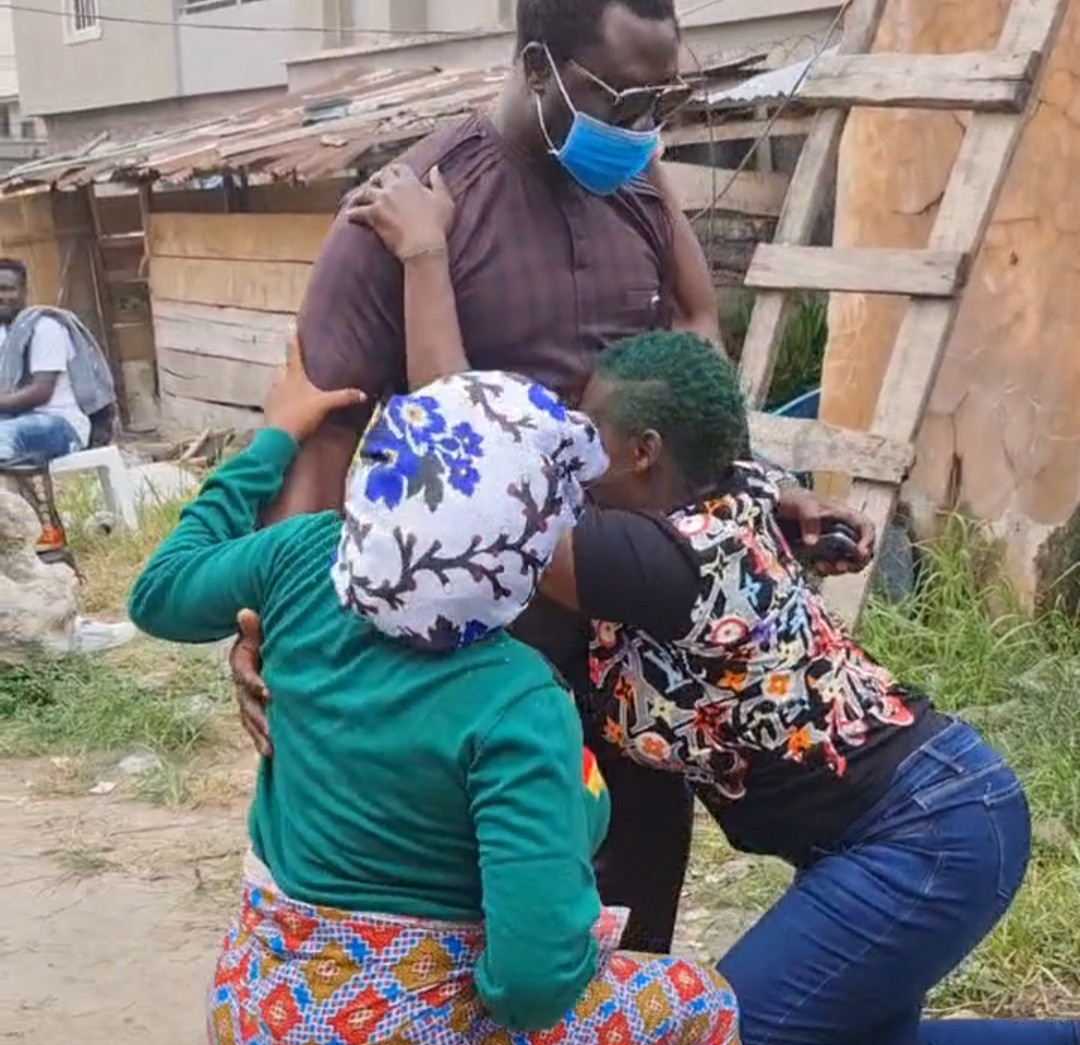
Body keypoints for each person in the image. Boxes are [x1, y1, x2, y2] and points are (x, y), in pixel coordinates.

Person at [354, 185, 1080, 1045]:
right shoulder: (728, 487)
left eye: (583, 432)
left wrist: (425, 257)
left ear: (642, 451)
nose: (563, 445)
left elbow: (465, 471)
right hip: (930, 816)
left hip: (927, 832)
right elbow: (699, 321)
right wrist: (653, 188)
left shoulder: (664, 557)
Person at [229, 0, 874, 956]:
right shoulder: (409, 211)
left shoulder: (638, 197)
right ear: (538, 66)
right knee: (476, 905)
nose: (644, 123)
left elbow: (680, 383)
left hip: (628, 638)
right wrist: (274, 623)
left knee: (633, 888)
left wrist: (758, 486)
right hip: (465, 641)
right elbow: (325, 433)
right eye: (624, 94)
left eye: (663, 96)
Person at [127, 345, 767, 1045]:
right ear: (524, 546)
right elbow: (531, 982)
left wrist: (275, 437)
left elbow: (159, 594)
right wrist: (582, 817)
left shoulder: (303, 561)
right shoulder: (515, 703)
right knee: (695, 1010)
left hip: (259, 1027)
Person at [0, 258, 114, 463]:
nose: (1, 297)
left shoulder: (45, 327)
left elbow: (40, 393)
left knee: (3, 435)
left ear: (24, 292)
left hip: (59, 424)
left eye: (7, 289)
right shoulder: (4, 335)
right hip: (16, 421)